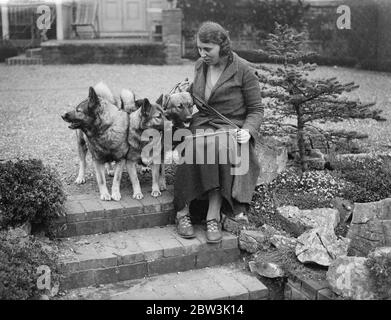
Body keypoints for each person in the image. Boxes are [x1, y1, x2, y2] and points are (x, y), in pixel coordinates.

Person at [173, 21, 264, 243]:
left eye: (207, 49)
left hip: (230, 127)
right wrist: (180, 96)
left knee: (215, 147)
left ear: (222, 45)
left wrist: (248, 130)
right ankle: (182, 212)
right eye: (199, 48)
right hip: (203, 121)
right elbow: (197, 96)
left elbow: (256, 109)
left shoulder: (243, 69)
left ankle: (212, 216)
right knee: (190, 143)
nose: (202, 53)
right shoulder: (199, 65)